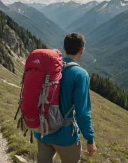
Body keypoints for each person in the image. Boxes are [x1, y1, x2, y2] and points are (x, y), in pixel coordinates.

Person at [34, 33, 97, 163]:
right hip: (65, 136)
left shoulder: (49, 68)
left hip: (42, 130)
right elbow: (83, 112)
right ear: (82, 50)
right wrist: (90, 140)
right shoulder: (80, 74)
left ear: (64, 48)